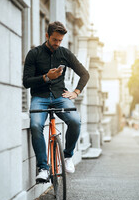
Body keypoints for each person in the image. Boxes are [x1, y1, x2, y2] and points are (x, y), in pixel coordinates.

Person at [23, 21, 90, 183]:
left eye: (60, 40)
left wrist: (76, 92)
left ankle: (67, 156)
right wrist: (46, 77)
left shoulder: (65, 53)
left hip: (61, 97)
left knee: (75, 121)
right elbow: (26, 82)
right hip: (40, 97)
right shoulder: (34, 54)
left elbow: (85, 74)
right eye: (54, 40)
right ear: (47, 36)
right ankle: (43, 168)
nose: (57, 43)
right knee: (35, 126)